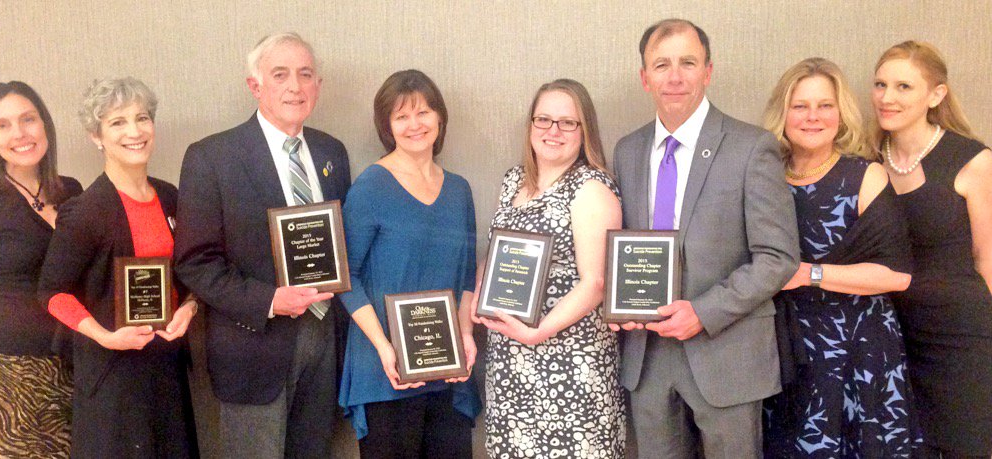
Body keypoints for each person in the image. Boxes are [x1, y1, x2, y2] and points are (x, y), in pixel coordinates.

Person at [611, 19, 799, 458]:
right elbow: (624, 245)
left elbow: (778, 257)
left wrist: (703, 311)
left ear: (708, 72)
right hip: (648, 357)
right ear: (645, 78)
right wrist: (619, 301)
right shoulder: (627, 150)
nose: (674, 76)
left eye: (688, 63)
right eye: (662, 65)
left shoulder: (752, 146)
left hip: (725, 351)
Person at [174, 32, 351, 458]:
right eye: (280, 75)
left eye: (305, 74)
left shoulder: (332, 152)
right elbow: (195, 262)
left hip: (324, 338)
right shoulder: (211, 157)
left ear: (318, 86)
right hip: (253, 345)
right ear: (255, 86)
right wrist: (270, 300)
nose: (295, 86)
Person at [760, 57, 916, 457]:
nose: (813, 116)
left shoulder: (865, 176)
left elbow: (896, 275)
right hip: (785, 349)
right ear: (783, 113)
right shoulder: (764, 175)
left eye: (825, 105)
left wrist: (808, 274)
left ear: (841, 113)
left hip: (857, 351)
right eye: (800, 106)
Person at [36, 77, 198, 458]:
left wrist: (189, 307)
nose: (134, 132)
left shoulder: (170, 196)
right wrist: (105, 336)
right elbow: (51, 292)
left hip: (166, 365)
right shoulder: (85, 211)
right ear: (97, 136)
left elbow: (192, 271)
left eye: (142, 118)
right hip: (113, 374)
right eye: (118, 122)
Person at [472, 79, 626, 458]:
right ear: (530, 125)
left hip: (570, 364)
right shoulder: (513, 181)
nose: (553, 131)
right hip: (510, 362)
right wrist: (479, 293)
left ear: (584, 130)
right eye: (543, 119)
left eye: (567, 122)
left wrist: (537, 333)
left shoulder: (591, 188)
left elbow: (596, 282)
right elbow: (497, 254)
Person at [338, 69, 479, 458]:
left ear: (440, 117)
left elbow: (467, 275)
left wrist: (466, 333)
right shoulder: (370, 186)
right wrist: (385, 348)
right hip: (386, 369)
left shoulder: (459, 189)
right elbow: (346, 276)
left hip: (447, 368)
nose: (414, 124)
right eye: (401, 116)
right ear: (387, 126)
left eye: (423, 112)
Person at [873, 40, 992, 459]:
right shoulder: (867, 161)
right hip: (890, 336)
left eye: (904, 86)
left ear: (936, 95)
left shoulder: (973, 161)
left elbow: (988, 259)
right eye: (880, 84)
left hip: (961, 340)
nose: (887, 97)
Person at [0, 81, 81, 458]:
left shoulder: (72, 192)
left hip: (69, 364)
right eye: (2, 125)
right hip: (2, 373)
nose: (19, 133)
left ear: (44, 123)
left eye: (28, 119)